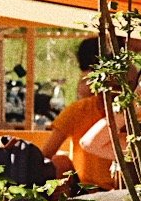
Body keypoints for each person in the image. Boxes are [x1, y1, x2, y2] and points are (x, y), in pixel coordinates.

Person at [44, 38, 112, 186]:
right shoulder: (79, 109)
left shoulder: (136, 116)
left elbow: (46, 153)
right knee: (60, 160)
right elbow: (46, 153)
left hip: (110, 190)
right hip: (87, 188)